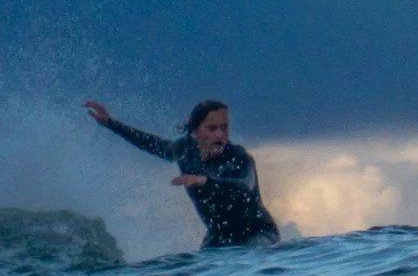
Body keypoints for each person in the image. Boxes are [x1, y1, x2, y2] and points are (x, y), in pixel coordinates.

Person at [84, 98, 280, 247]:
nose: (220, 134)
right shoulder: (185, 151)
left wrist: (205, 181)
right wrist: (110, 123)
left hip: (257, 233)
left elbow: (243, 184)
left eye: (224, 128)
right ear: (195, 131)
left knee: (251, 258)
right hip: (220, 235)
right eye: (212, 128)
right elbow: (151, 144)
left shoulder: (239, 157)